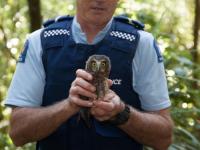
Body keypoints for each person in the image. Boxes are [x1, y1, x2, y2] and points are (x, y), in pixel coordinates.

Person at [5, 0, 173, 150]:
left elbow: (163, 139)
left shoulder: (141, 44)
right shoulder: (40, 42)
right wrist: (69, 106)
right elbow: (18, 133)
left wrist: (121, 113)